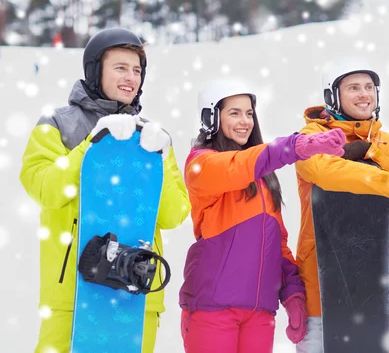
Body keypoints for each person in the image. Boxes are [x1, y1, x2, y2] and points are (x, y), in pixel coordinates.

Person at [19, 27, 191, 353]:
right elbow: (45, 189)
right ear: (96, 71)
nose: (131, 77)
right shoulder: (56, 124)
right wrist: (92, 145)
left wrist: (159, 159)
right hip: (74, 294)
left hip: (136, 291)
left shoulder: (152, 135)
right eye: (121, 67)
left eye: (137, 70)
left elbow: (173, 214)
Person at [179, 78, 347, 353]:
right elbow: (237, 166)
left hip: (259, 313)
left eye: (249, 114)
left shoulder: (263, 178)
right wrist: (295, 146)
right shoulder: (202, 164)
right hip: (213, 309)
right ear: (211, 117)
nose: (245, 121)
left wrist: (292, 293)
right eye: (234, 113)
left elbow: (277, 241)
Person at [294, 59, 389, 353]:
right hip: (322, 284)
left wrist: (371, 152)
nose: (364, 94)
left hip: (373, 282)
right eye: (353, 88)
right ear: (333, 96)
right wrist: (386, 182)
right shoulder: (310, 137)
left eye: (369, 87)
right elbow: (323, 171)